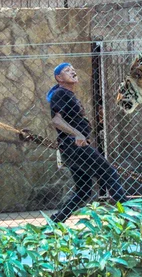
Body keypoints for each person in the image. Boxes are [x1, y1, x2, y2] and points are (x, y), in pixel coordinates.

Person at [46, 62, 127, 223]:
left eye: (73, 69)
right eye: (67, 70)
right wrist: (77, 134)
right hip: (75, 146)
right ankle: (130, 212)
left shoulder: (68, 94)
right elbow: (56, 120)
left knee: (83, 190)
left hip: (72, 148)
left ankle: (57, 220)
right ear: (59, 78)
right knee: (109, 174)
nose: (73, 71)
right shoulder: (61, 94)